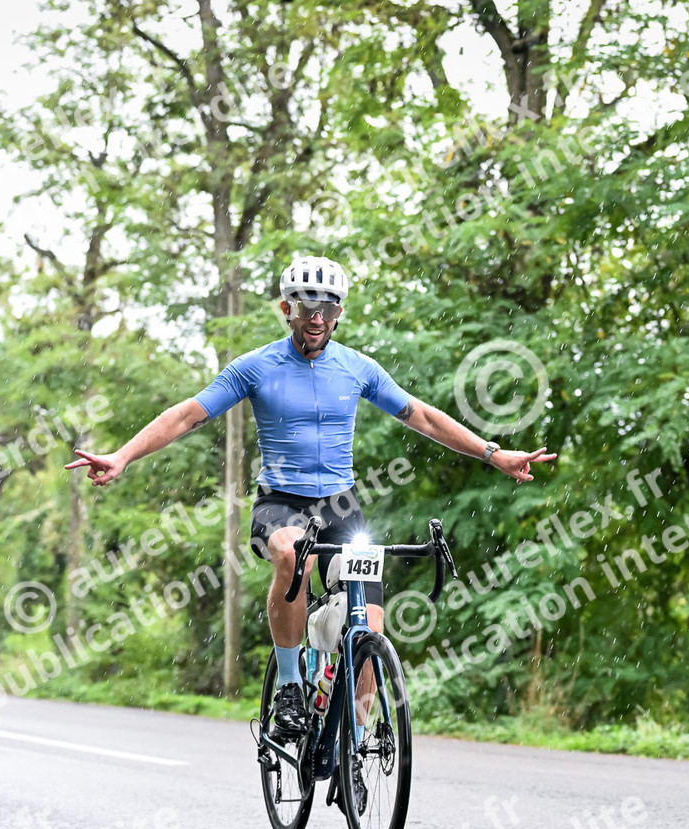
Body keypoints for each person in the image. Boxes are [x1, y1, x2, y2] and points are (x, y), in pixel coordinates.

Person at [66, 254, 556, 740]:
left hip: (342, 506)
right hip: (281, 502)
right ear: (287, 309)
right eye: (306, 307)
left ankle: (356, 743)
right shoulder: (256, 367)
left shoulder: (357, 368)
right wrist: (123, 456)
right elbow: (186, 415)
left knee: (371, 625)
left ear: (339, 312)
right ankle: (289, 686)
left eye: (328, 307)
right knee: (290, 553)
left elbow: (422, 417)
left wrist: (493, 454)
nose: (317, 318)